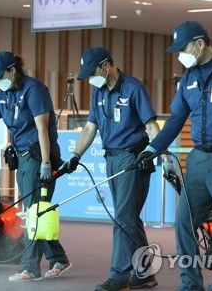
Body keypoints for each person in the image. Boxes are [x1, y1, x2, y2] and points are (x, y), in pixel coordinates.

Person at [135, 20, 212, 291]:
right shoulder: (188, 79)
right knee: (184, 222)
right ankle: (190, 283)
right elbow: (175, 120)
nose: (180, 55)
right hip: (198, 161)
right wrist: (151, 148)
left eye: (183, 48)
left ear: (200, 44)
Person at [0, 51, 72, 282]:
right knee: (35, 209)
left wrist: (46, 161)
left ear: (12, 70)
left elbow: (43, 127)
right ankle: (59, 258)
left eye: (1, 75)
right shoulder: (3, 94)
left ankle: (30, 267)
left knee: (33, 213)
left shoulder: (34, 89)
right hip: (21, 158)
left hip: (38, 155)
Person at [63, 47, 164, 291]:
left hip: (133, 159)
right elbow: (89, 128)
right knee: (128, 217)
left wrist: (159, 156)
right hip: (112, 159)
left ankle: (119, 276)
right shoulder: (98, 92)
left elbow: (151, 126)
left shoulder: (133, 88)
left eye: (93, 72)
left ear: (106, 66)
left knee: (123, 219)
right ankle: (144, 273)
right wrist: (75, 155)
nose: (90, 78)